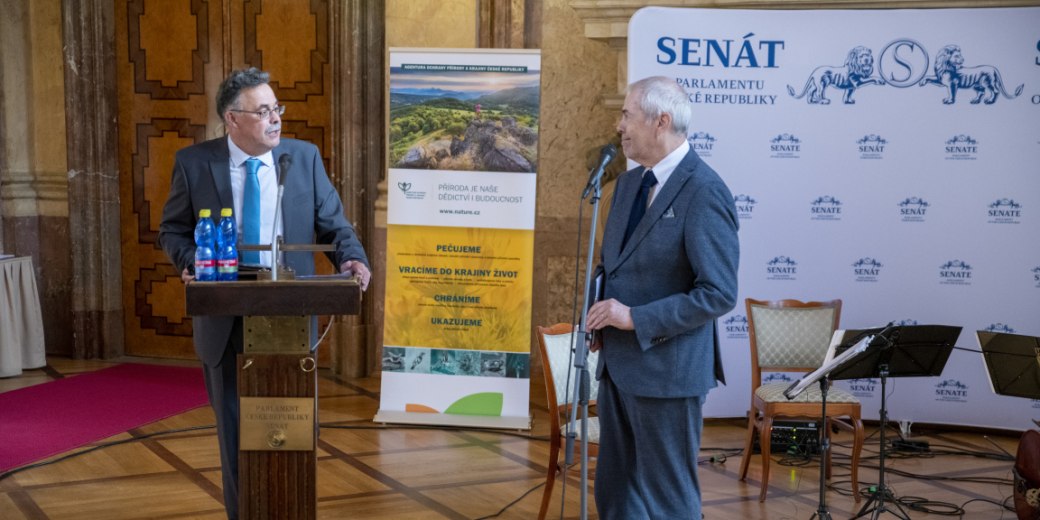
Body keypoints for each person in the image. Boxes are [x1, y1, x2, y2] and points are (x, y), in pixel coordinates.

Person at [158, 67, 370, 520]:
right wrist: (192, 261)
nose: (275, 119)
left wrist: (352, 259)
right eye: (263, 112)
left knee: (294, 431)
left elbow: (335, 225)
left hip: (290, 317)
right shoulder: (194, 163)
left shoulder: (302, 158)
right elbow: (172, 230)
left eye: (277, 109)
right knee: (237, 436)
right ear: (232, 119)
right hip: (225, 316)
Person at [585, 76, 739, 519]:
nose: (619, 126)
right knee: (616, 495)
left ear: (661, 121)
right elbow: (611, 267)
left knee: (668, 500)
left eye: (626, 115)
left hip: (669, 374)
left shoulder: (705, 190)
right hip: (616, 368)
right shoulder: (626, 186)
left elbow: (718, 293)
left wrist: (634, 317)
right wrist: (596, 316)